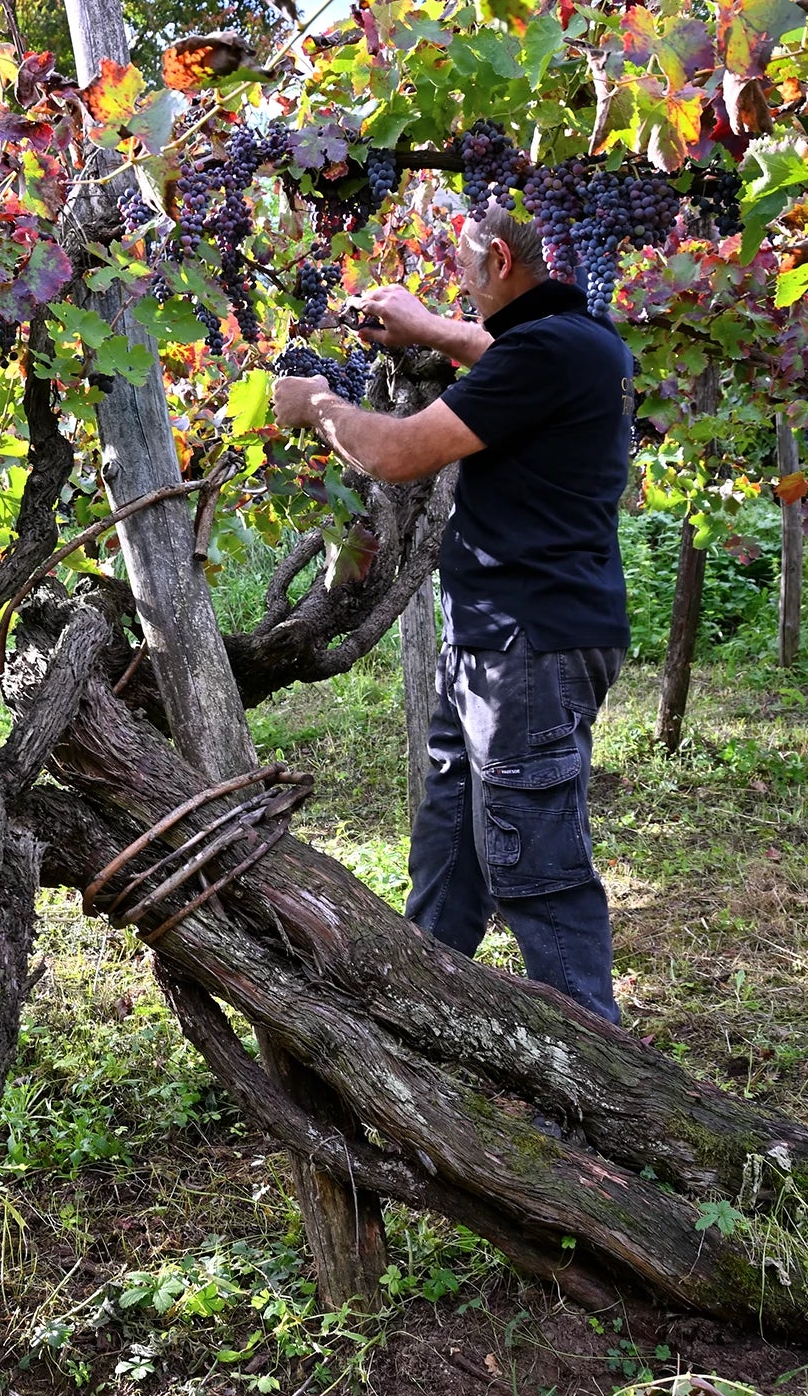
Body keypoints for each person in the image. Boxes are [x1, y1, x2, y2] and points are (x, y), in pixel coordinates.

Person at [270, 206, 631, 1024]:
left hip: (525, 645)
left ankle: (600, 1087)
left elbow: (397, 456)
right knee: (452, 857)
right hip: (500, 638)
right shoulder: (589, 345)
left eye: (466, 273)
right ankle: (415, 1024)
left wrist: (319, 405)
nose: (460, 290)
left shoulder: (544, 353)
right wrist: (428, 327)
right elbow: (495, 352)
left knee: (538, 870)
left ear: (499, 258)